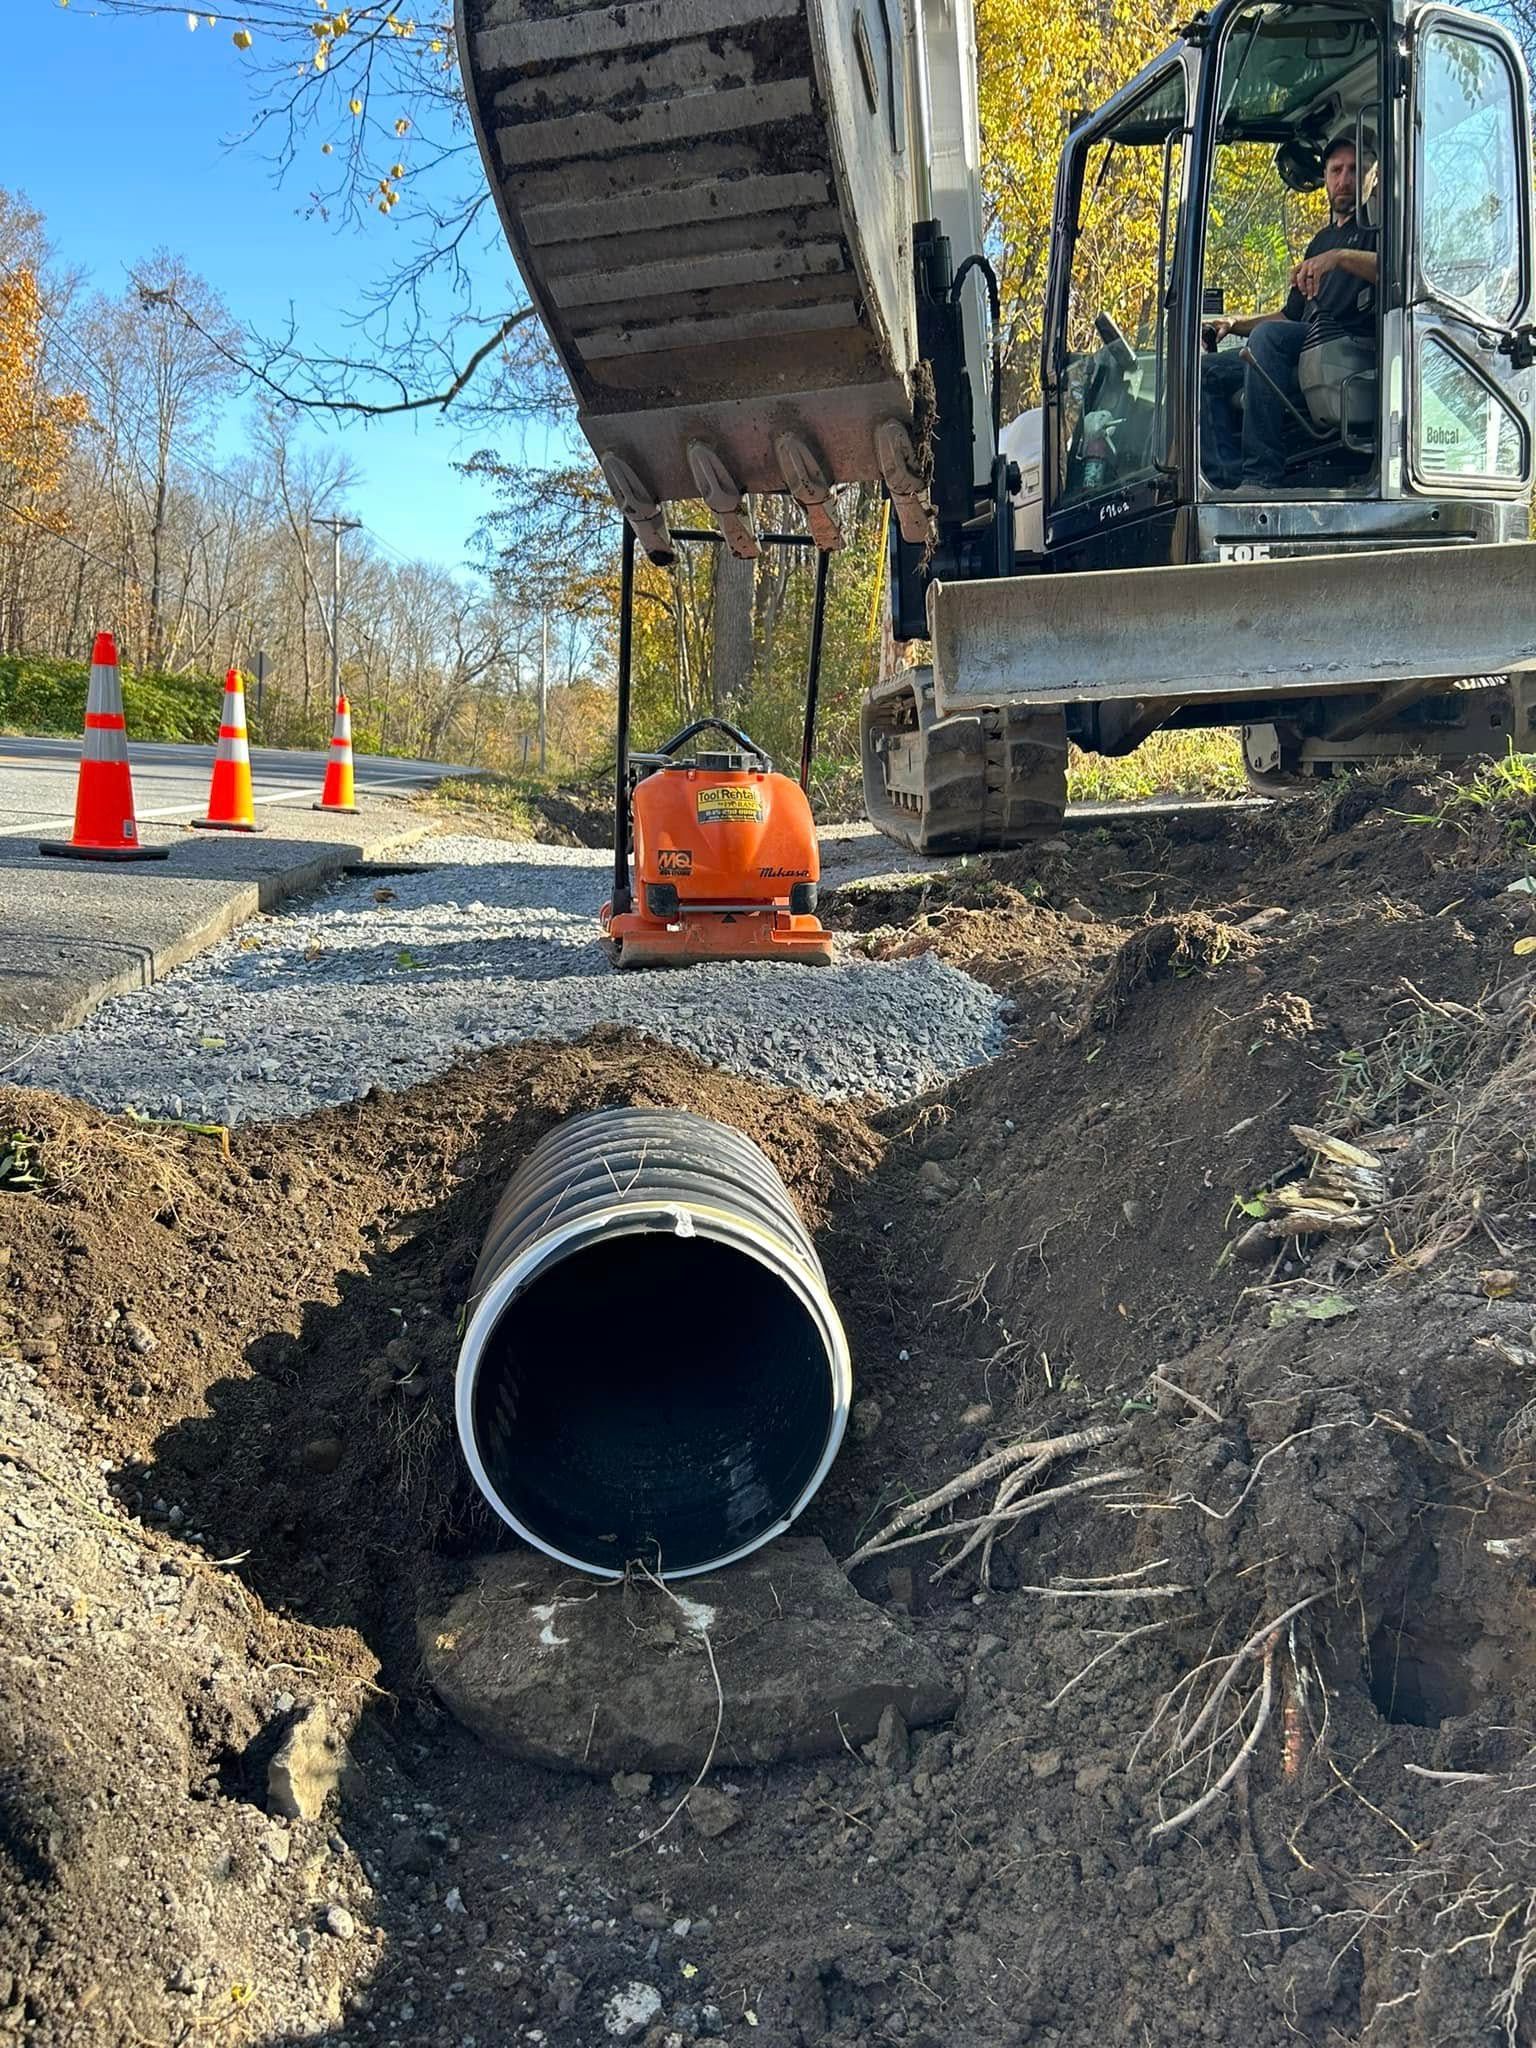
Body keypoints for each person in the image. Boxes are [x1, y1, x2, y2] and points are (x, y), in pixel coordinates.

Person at [1201, 134, 1379, 493]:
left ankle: (1261, 476)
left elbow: (1400, 272)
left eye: (1355, 170)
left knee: (1269, 340)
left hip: (1347, 346)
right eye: (1336, 171)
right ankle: (1225, 482)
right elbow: (1288, 318)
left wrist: (1340, 259)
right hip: (1303, 345)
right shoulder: (1320, 241)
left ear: (1372, 177)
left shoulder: (1382, 230)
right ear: (1326, 178)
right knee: (1204, 373)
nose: (1344, 179)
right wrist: (1235, 323)